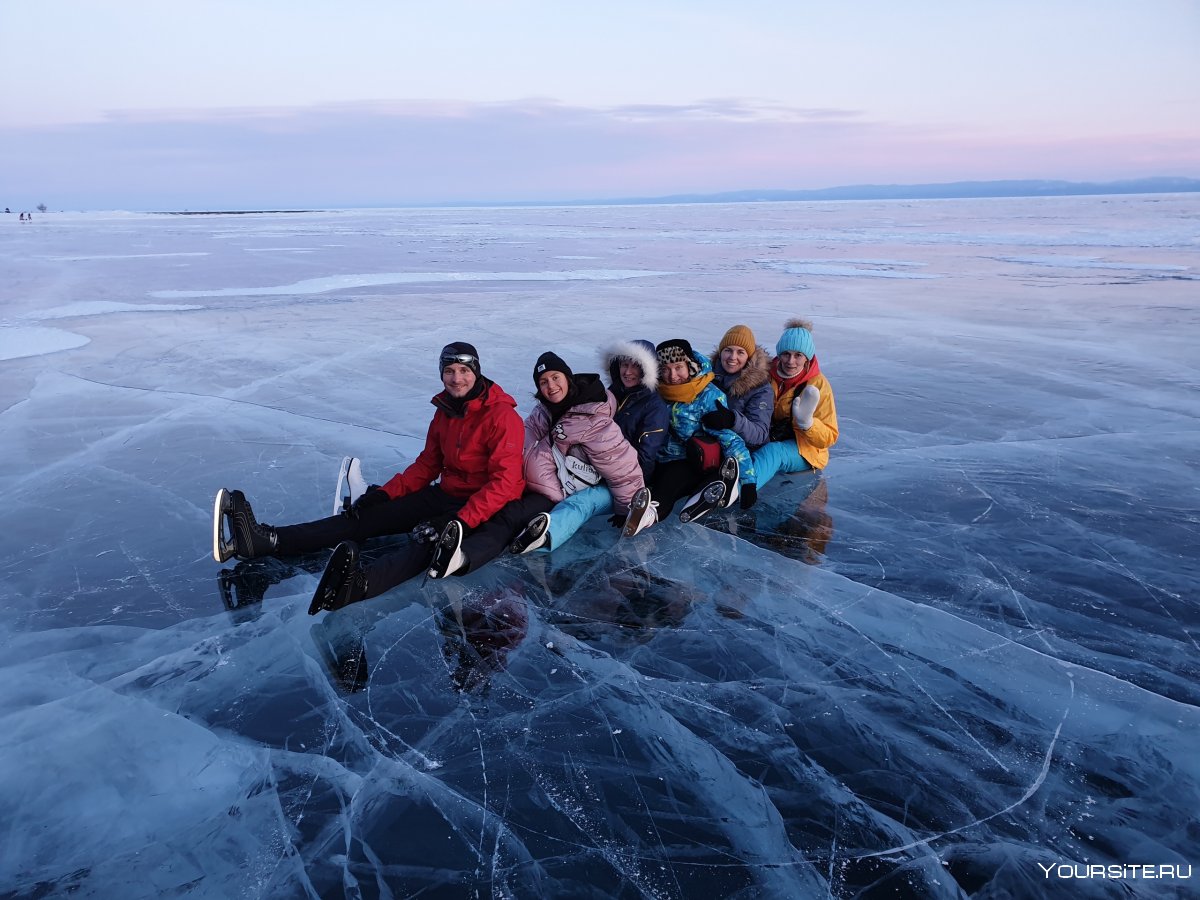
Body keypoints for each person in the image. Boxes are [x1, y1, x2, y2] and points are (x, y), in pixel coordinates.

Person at [212, 341, 526, 613]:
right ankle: (266, 540)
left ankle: (360, 585)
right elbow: (426, 466)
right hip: (445, 493)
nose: (456, 378)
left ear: (477, 372)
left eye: (464, 371)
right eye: (449, 371)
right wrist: (384, 495)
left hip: (484, 507)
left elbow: (504, 483)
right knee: (364, 515)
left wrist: (457, 521)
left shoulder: (502, 417)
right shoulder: (445, 411)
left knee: (428, 543)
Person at [511, 339, 666, 553]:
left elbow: (642, 457)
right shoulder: (607, 394)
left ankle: (545, 537)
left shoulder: (653, 407)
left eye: (635, 366)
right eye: (624, 365)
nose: (628, 372)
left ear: (647, 371)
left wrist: (629, 503)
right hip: (591, 469)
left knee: (581, 504)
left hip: (625, 478)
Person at [648, 338, 757, 521]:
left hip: (690, 461)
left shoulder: (708, 396)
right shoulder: (656, 392)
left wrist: (748, 482)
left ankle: (649, 515)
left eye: (678, 368)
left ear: (690, 366)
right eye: (666, 369)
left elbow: (731, 440)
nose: (672, 376)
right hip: (658, 458)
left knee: (668, 484)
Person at [751, 318, 839, 489]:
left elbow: (829, 437)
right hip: (767, 437)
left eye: (798, 355)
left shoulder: (819, 385)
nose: (791, 361)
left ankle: (740, 489)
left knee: (773, 453)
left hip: (804, 449)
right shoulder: (765, 374)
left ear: (807, 357)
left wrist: (808, 424)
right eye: (786, 354)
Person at [706, 324, 774, 451]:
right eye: (728, 350)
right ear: (721, 352)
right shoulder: (707, 376)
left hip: (745, 452)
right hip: (710, 446)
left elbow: (759, 434)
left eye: (740, 352)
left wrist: (732, 420)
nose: (733, 357)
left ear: (749, 357)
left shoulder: (761, 388)